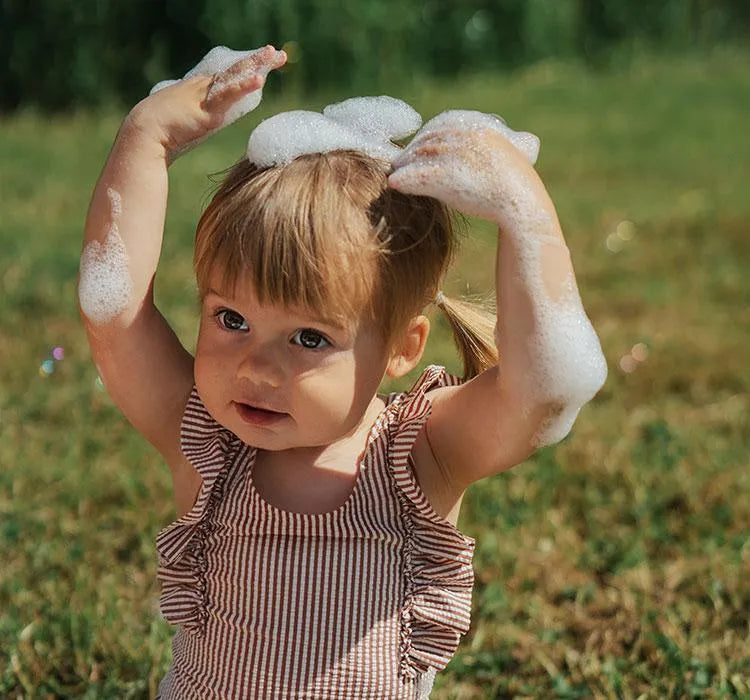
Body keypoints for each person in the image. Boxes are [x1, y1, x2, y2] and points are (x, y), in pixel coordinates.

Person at [80, 44, 607, 699]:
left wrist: (526, 218)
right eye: (231, 319)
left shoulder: (421, 455)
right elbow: (114, 312)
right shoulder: (204, 441)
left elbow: (542, 392)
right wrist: (147, 136)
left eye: (308, 337)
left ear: (402, 347)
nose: (256, 365)